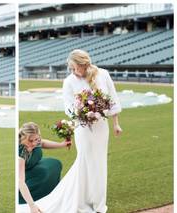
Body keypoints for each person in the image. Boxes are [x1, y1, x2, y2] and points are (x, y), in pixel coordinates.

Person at [18, 49, 122, 213]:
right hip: (83, 129)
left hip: (102, 127)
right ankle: (80, 200)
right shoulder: (69, 82)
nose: (73, 72)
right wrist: (83, 113)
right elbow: (68, 107)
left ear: (84, 64)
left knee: (100, 163)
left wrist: (116, 123)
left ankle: (98, 203)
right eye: (71, 69)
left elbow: (113, 99)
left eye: (75, 68)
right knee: (85, 162)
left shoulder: (103, 74)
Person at [19, 122, 72, 213]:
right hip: (23, 173)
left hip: (34, 164)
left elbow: (42, 143)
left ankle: (50, 191)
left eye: (36, 139)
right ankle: (34, 194)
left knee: (55, 164)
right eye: (31, 141)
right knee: (43, 172)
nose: (34, 143)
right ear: (23, 137)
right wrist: (32, 206)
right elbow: (20, 181)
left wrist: (61, 144)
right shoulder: (20, 152)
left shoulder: (35, 139)